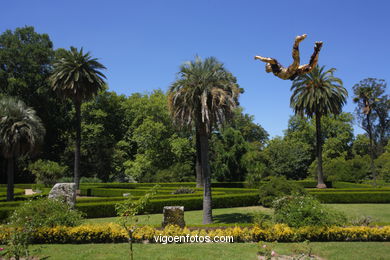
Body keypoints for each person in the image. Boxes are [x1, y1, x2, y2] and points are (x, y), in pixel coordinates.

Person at [254, 34, 323, 80]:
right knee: (310, 68)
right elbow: (267, 70)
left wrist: (259, 57)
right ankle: (317, 49)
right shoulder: (273, 69)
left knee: (297, 62)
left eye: (267, 66)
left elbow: (268, 60)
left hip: (288, 72)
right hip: (292, 73)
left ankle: (296, 42)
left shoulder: (275, 65)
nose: (267, 67)